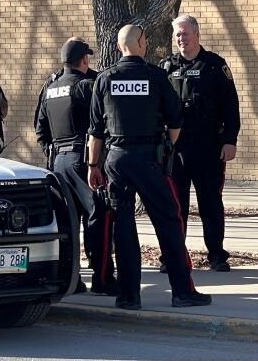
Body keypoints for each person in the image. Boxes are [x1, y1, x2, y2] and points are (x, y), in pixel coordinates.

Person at [87, 24, 211, 310]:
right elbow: (176, 121)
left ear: (119, 47)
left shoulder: (105, 79)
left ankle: (129, 296)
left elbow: (95, 132)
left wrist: (93, 165)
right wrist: (166, 147)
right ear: (142, 43)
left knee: (124, 227)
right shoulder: (156, 76)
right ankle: (182, 291)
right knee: (169, 223)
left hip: (116, 159)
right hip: (149, 159)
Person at [35, 37, 118, 296]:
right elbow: (105, 116)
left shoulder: (50, 88)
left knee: (69, 222)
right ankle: (103, 278)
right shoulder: (84, 86)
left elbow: (40, 130)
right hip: (83, 159)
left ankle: (72, 279)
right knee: (99, 214)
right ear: (83, 60)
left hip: (58, 161)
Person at [159, 15, 240, 272]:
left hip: (208, 147)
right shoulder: (166, 68)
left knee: (210, 203)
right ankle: (173, 256)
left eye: (184, 33)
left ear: (196, 33)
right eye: (177, 35)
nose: (181, 39)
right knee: (175, 205)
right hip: (176, 149)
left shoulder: (215, 66)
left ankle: (216, 255)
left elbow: (231, 106)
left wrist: (230, 140)